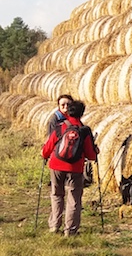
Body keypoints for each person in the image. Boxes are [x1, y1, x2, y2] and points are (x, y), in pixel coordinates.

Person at [41, 99, 97, 236]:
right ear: (82, 113)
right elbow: (91, 156)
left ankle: (54, 225)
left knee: (56, 195)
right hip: (75, 168)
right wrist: (95, 152)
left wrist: (44, 155)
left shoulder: (60, 127)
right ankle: (70, 230)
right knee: (74, 198)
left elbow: (47, 148)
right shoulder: (84, 130)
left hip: (56, 165)